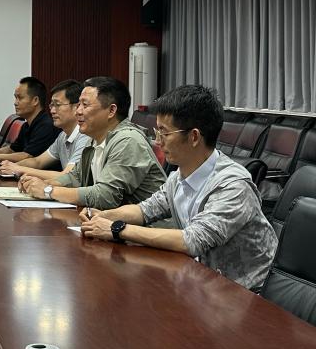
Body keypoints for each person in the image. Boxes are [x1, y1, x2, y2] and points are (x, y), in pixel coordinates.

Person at [79, 84, 278, 291]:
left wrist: (117, 229)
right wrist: (102, 216)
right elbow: (145, 210)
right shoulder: (179, 176)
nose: (158, 142)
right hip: (201, 281)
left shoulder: (233, 185)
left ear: (194, 137)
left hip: (245, 293)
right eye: (157, 132)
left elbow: (192, 240)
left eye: (164, 133)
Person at [18, 76, 165, 208]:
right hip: (110, 222)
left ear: (111, 111)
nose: (78, 111)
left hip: (148, 227)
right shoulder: (93, 139)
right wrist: (41, 184)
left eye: (85, 105)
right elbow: (75, 177)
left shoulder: (128, 141)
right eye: (78, 105)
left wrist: (48, 191)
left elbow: (106, 196)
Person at [0, 79, 90, 180]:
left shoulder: (85, 137)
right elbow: (37, 162)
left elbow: (67, 176)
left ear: (77, 107)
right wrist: (10, 166)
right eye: (52, 105)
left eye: (57, 105)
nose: (52, 111)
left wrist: (19, 169)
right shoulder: (63, 136)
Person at [0, 76, 60, 163]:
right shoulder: (26, 125)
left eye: (20, 98)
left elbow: (27, 156)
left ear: (35, 100)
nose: (15, 103)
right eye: (15, 98)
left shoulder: (46, 126)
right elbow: (12, 149)